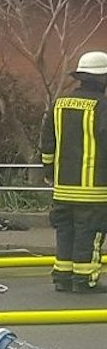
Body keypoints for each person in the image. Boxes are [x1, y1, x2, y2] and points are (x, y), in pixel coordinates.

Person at [41, 51, 107, 292]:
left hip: (63, 187)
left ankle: (63, 276)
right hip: (94, 189)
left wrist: (48, 170)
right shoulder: (103, 107)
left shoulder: (60, 104)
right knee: (90, 234)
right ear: (102, 80)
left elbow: (48, 143)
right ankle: (84, 279)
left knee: (66, 231)